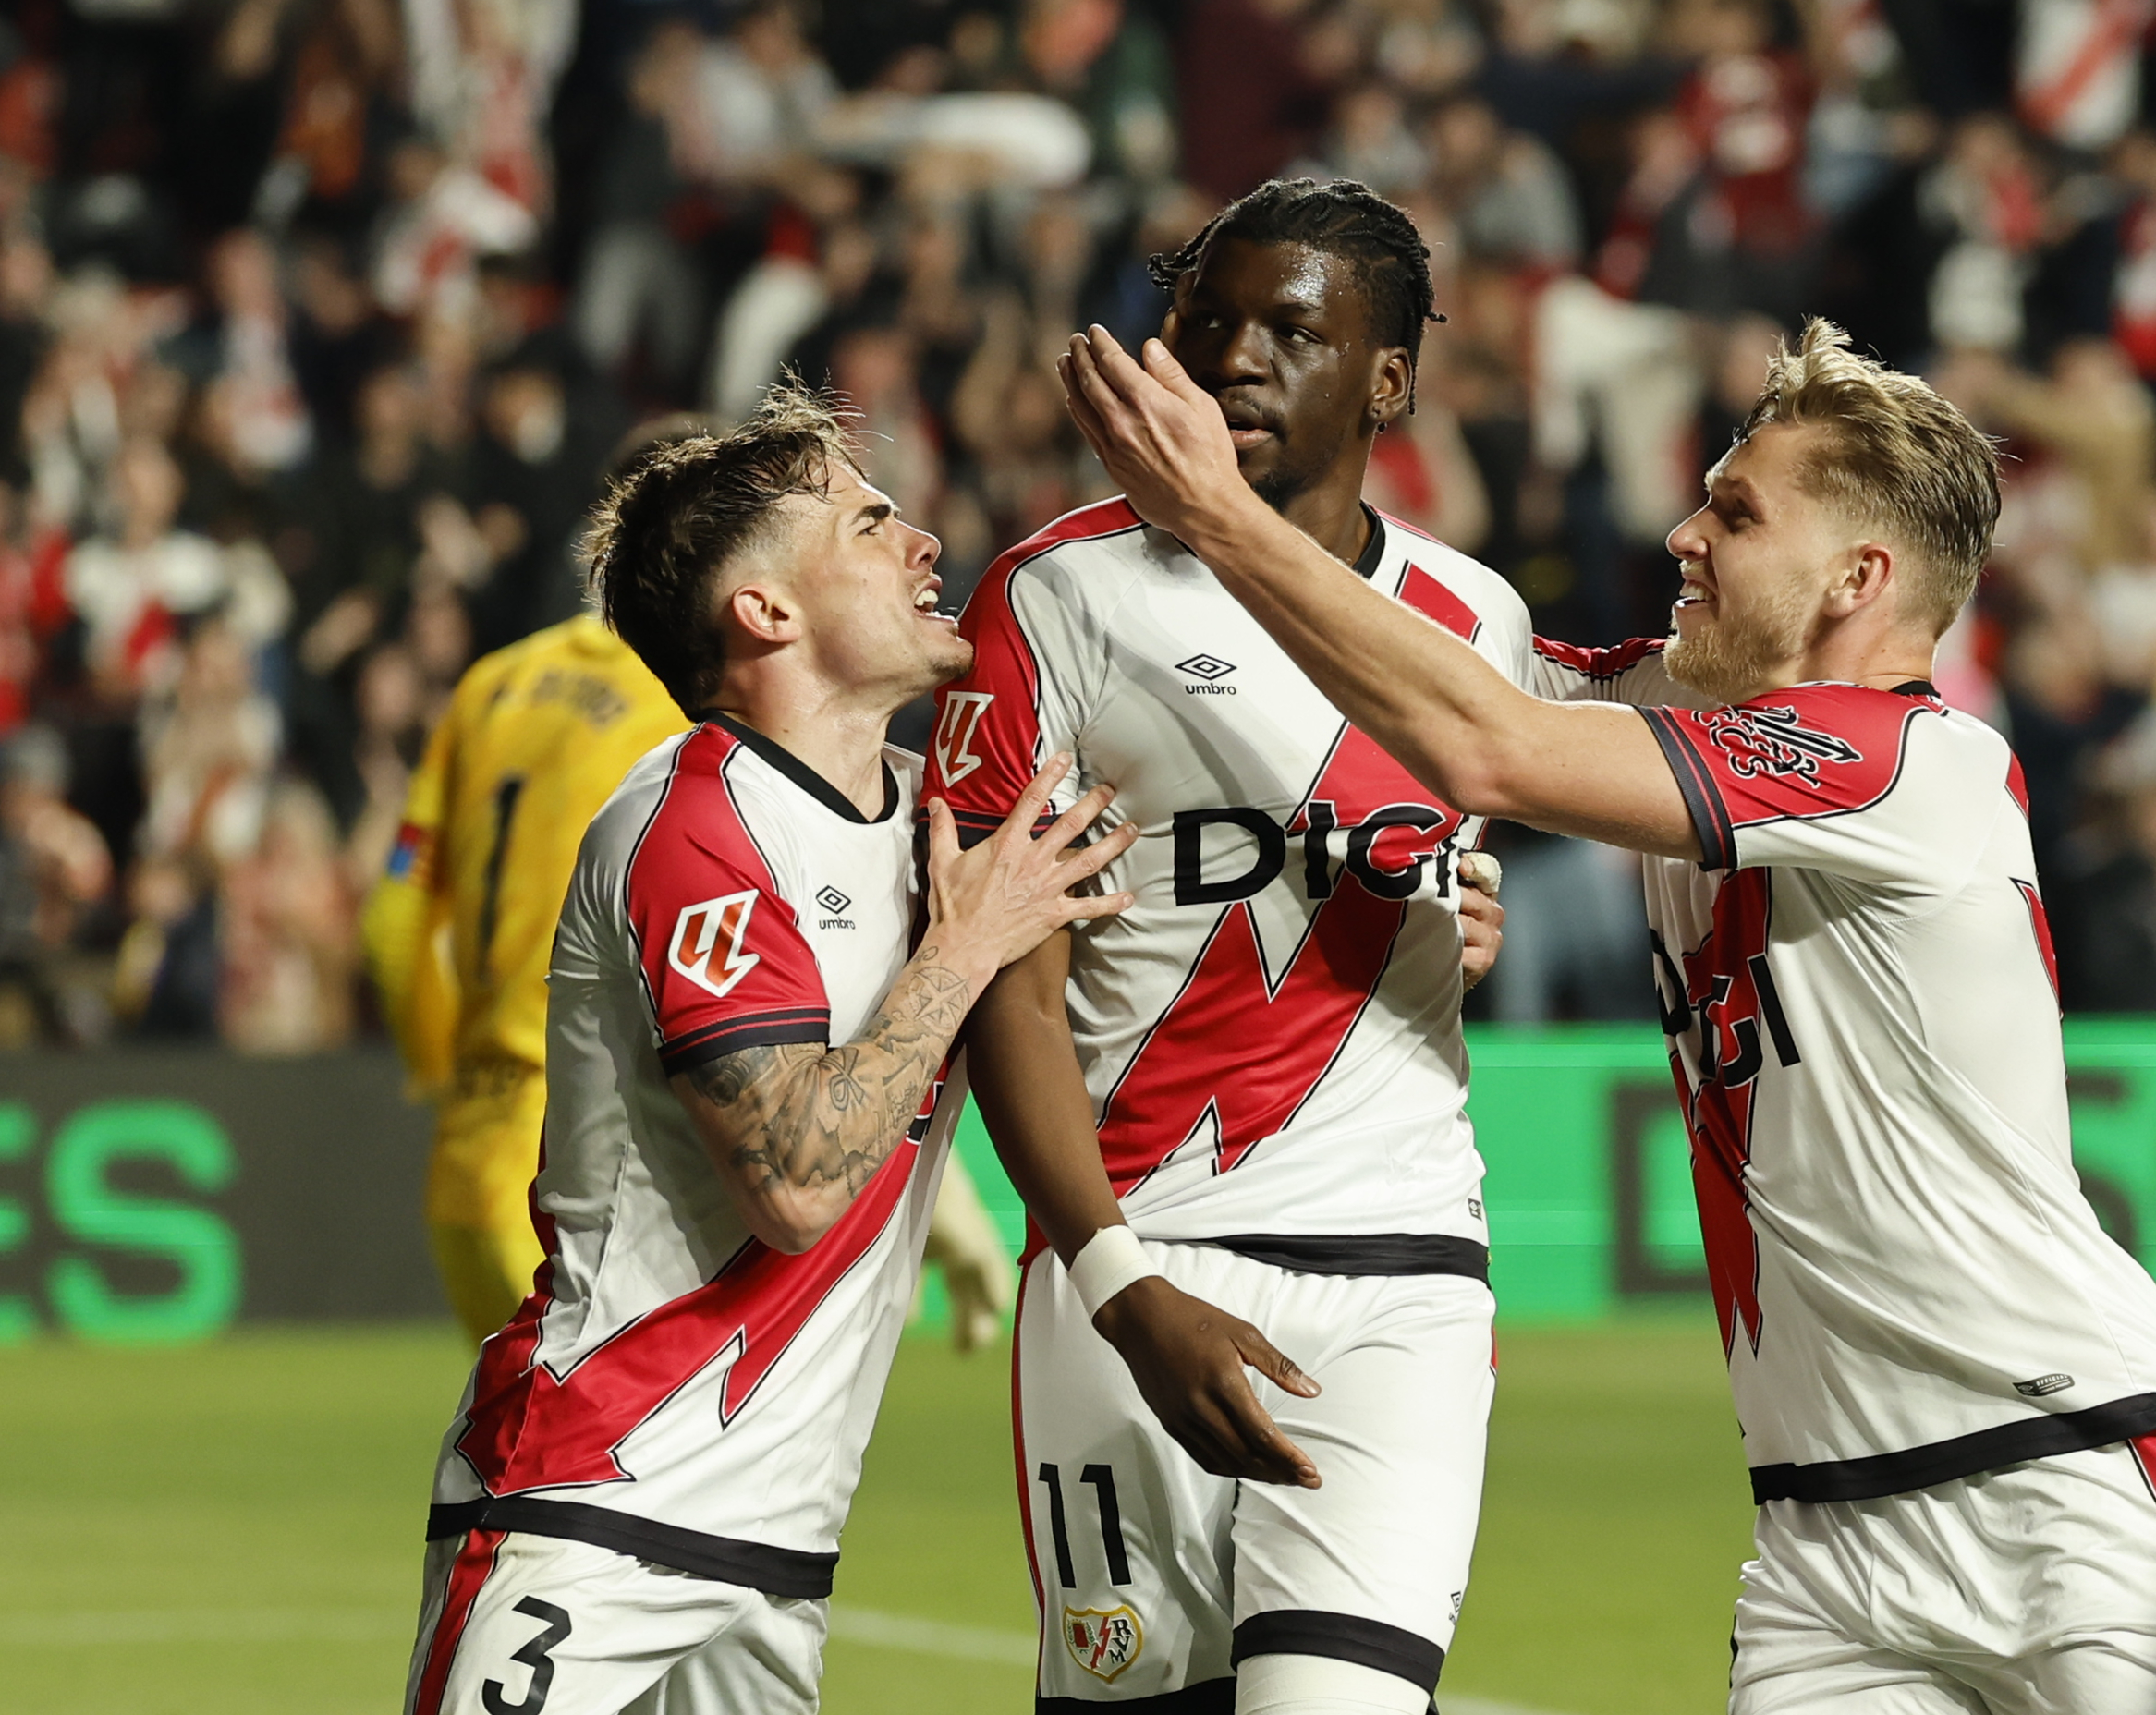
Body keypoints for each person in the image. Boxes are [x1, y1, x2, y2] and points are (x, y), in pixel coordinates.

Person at [1059, 315, 2156, 1711]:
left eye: (1732, 512)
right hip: (1822, 1547)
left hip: (2071, 1485)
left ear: (1859, 576)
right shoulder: (1681, 713)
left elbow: (1487, 738)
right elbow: (1425, 652)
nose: (1680, 531)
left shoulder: (1916, 764)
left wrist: (1216, 510)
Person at [404, 384, 1139, 1715]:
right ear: (765, 612)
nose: (924, 542)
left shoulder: (946, 820)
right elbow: (793, 1184)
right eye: (869, 523)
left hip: (776, 1550)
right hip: (591, 1503)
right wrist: (962, 951)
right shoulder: (696, 830)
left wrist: (1416, 910)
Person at [924, 178, 1518, 1714]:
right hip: (1133, 1262)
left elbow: (1452, 856)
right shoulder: (1054, 597)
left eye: (1290, 331)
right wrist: (1117, 1282)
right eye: (1205, 321)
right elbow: (1008, 984)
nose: (1234, 357)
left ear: (1386, 377)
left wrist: (1451, 911)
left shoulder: (1476, 620)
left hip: (1399, 1273)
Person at [363, 426, 1016, 1347]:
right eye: (857, 522)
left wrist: (447, 1068)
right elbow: (788, 1077)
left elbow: (394, 920)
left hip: (479, 1132)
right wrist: (947, 1203)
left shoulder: (490, 687)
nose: (915, 541)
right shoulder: (698, 741)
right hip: (620, 1123)